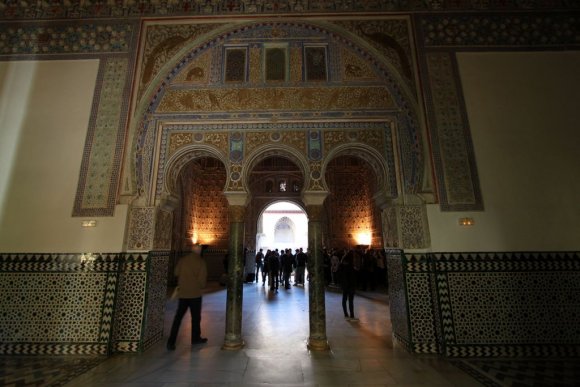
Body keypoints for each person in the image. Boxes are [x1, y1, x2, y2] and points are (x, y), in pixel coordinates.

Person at [167, 240, 208, 350]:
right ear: (199, 251)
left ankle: (171, 342)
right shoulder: (201, 262)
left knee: (178, 318)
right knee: (195, 318)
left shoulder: (183, 260)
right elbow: (202, 282)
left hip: (183, 294)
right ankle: (195, 339)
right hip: (195, 295)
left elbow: (176, 273)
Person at [340, 250, 359, 322]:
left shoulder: (342, 265)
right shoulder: (350, 267)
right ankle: (352, 315)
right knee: (350, 300)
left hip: (345, 285)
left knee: (344, 299)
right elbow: (351, 277)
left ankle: (346, 314)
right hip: (350, 285)